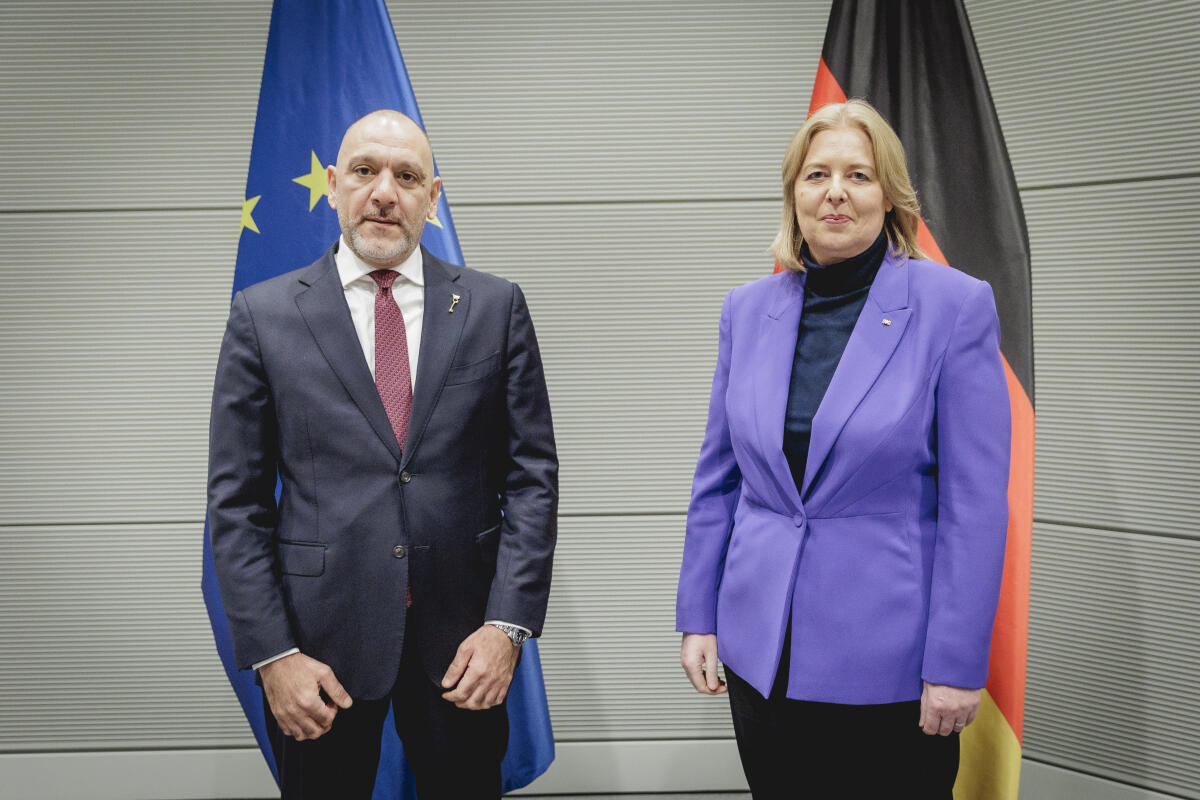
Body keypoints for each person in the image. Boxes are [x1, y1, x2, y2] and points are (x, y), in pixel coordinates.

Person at [208, 109, 558, 799]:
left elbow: (532, 480)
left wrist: (505, 629)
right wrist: (275, 656)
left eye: (406, 176)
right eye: (365, 172)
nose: (383, 192)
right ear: (334, 185)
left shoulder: (494, 307)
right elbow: (237, 503)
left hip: (463, 645)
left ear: (433, 199)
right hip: (318, 651)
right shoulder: (264, 316)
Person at [675, 99, 1010, 798]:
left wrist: (955, 664)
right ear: (793, 192)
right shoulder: (746, 310)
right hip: (760, 653)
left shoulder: (954, 306)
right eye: (816, 174)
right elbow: (718, 479)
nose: (834, 191)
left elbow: (976, 506)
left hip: (890, 664)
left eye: (858, 175)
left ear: (888, 194)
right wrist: (698, 616)